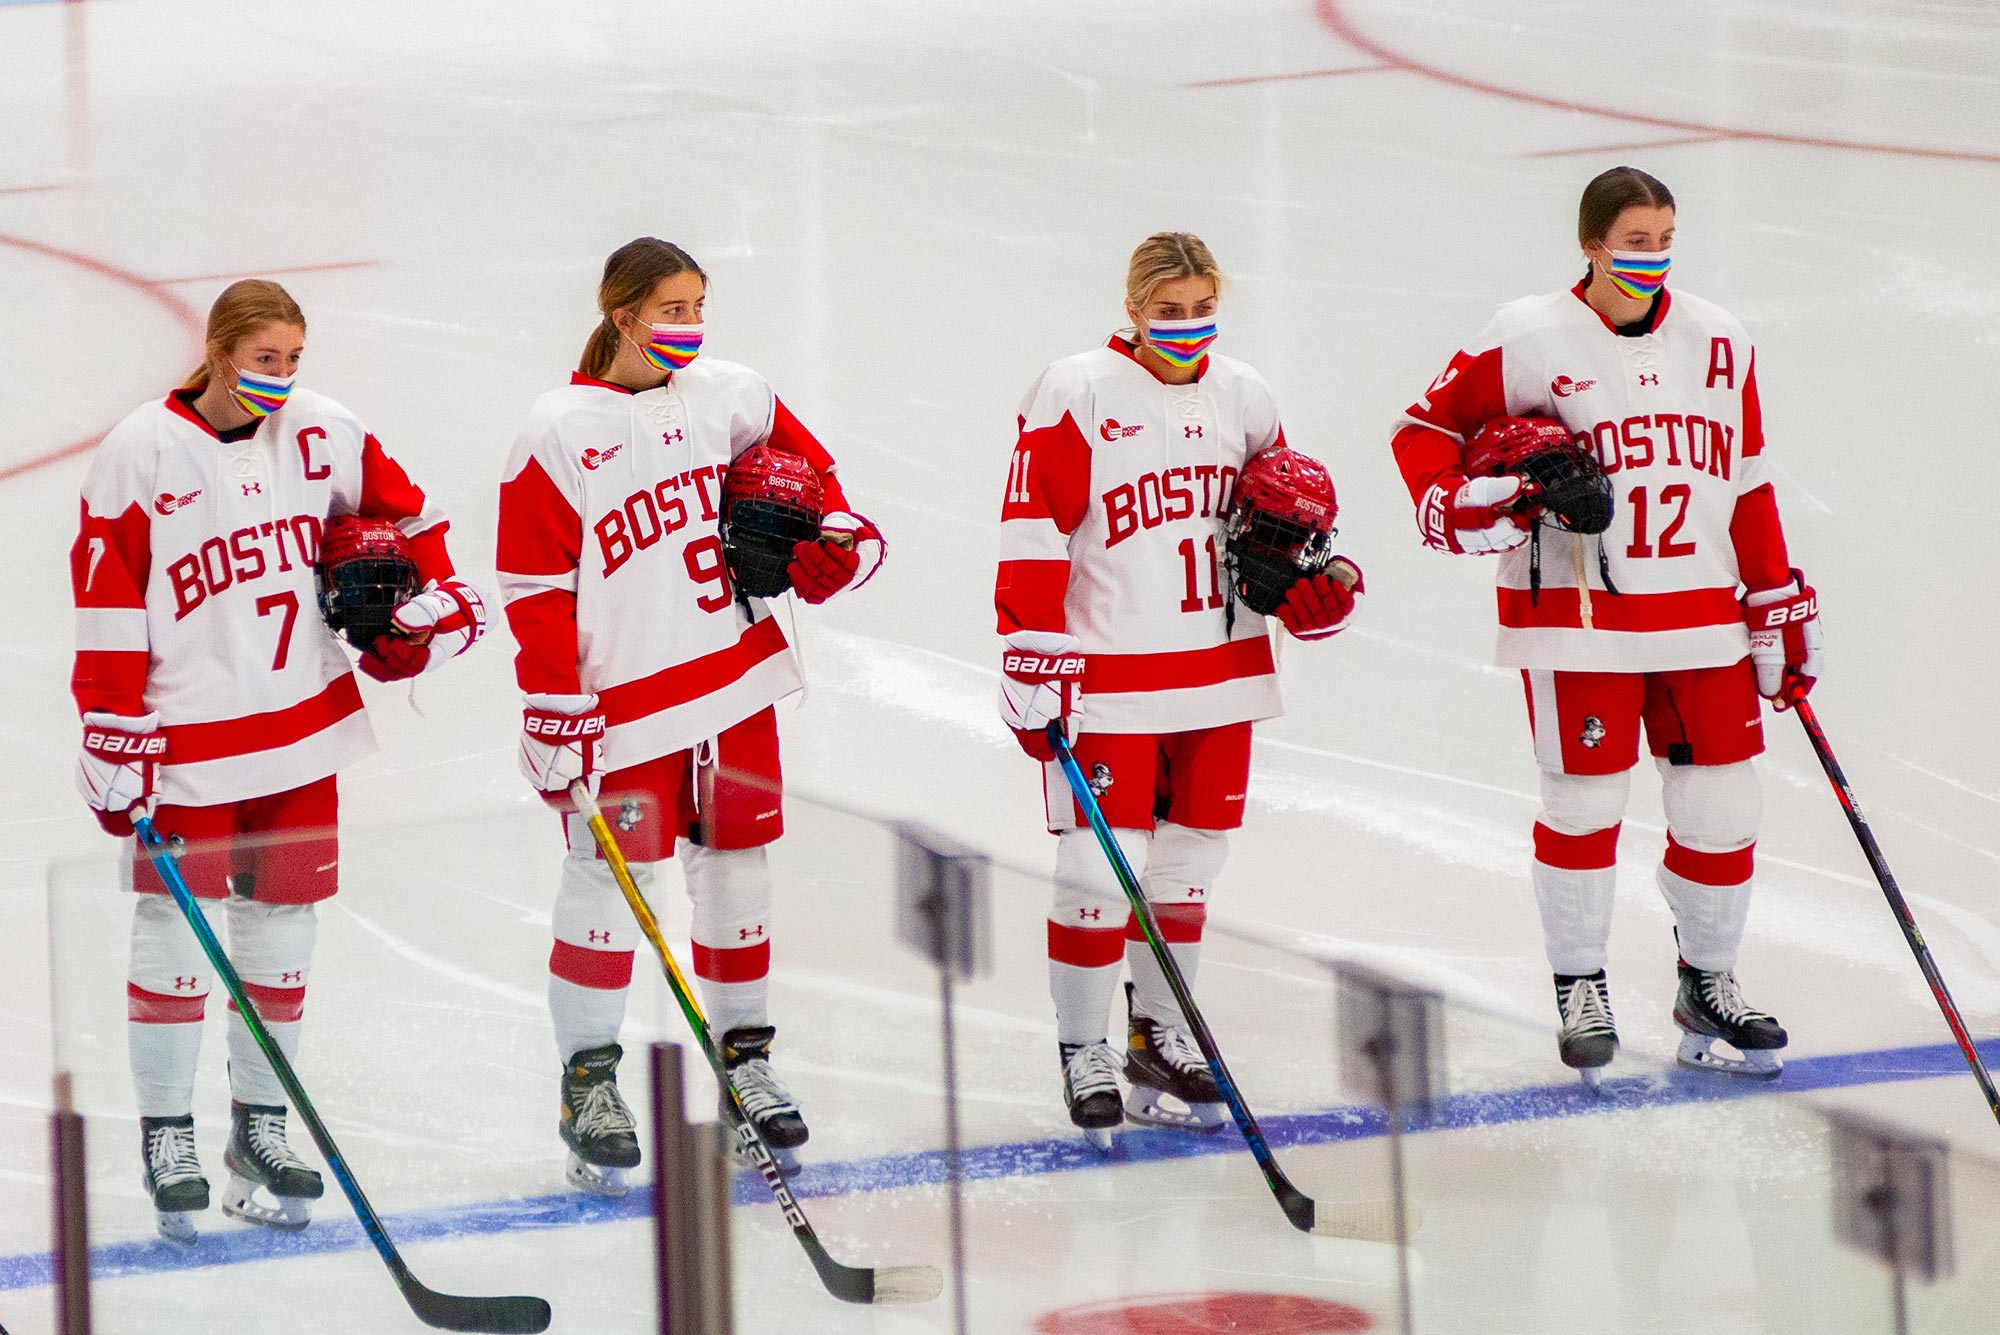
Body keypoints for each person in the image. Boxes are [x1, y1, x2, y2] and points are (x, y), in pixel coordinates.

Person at [70, 279, 487, 1243]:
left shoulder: (325, 431)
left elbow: (415, 528)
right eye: (266, 361)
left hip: (301, 728)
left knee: (283, 933)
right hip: (188, 743)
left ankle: (260, 1129)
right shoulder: (140, 451)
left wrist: (434, 604)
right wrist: (108, 724)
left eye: (296, 360)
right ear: (219, 355)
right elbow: (107, 600)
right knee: (177, 939)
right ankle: (168, 1132)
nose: (284, 378)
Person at [1389, 166, 1823, 1083]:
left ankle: (1708, 982)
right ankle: (1580, 986)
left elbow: (1745, 478)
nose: (1652, 257)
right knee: (1585, 803)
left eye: (1665, 238)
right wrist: (1483, 501)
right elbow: (1421, 433)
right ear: (1590, 244)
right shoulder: (1526, 334)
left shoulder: (1721, 338)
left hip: (1702, 613)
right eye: (1634, 241)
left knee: (1723, 806)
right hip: (1577, 614)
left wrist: (1771, 597)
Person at [496, 237, 884, 1194]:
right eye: (669, 308)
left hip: (736, 684)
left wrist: (842, 540)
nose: (689, 325)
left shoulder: (735, 394)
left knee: (739, 871)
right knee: (605, 885)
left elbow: (821, 486)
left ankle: (745, 1056)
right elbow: (535, 586)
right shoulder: (556, 429)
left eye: (697, 305)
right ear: (622, 315)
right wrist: (554, 704)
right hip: (624, 709)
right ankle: (588, 1080)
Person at [996, 232, 1363, 1149]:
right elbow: (1032, 528)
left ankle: (1159, 1036)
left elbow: (1284, 523)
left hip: (1221, 671)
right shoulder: (1076, 388)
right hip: (1109, 675)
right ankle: (1084, 1045)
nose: (1188, 326)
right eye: (1169, 310)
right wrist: (1029, 651)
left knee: (1187, 867)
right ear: (1133, 307)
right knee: (1093, 869)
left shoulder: (1244, 394)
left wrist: (1315, 593)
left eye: (1203, 307)